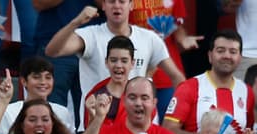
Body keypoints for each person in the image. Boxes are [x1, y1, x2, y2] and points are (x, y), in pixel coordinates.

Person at [44, 0, 185, 110]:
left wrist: (180, 112)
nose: (116, 6)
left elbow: (177, 77)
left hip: (133, 127)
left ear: (131, 5)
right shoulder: (90, 35)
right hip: (96, 124)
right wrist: (76, 22)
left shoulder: (149, 38)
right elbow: (52, 51)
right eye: (111, 1)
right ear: (103, 5)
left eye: (122, 2)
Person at [163, 30, 253, 134]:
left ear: (240, 58)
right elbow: (168, 133)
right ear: (210, 56)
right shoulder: (189, 87)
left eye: (233, 52)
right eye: (221, 51)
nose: (227, 56)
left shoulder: (247, 91)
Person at [0, 58, 75, 134]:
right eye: (36, 77)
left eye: (48, 77)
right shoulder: (9, 111)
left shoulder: (62, 112)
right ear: (24, 81)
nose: (43, 82)